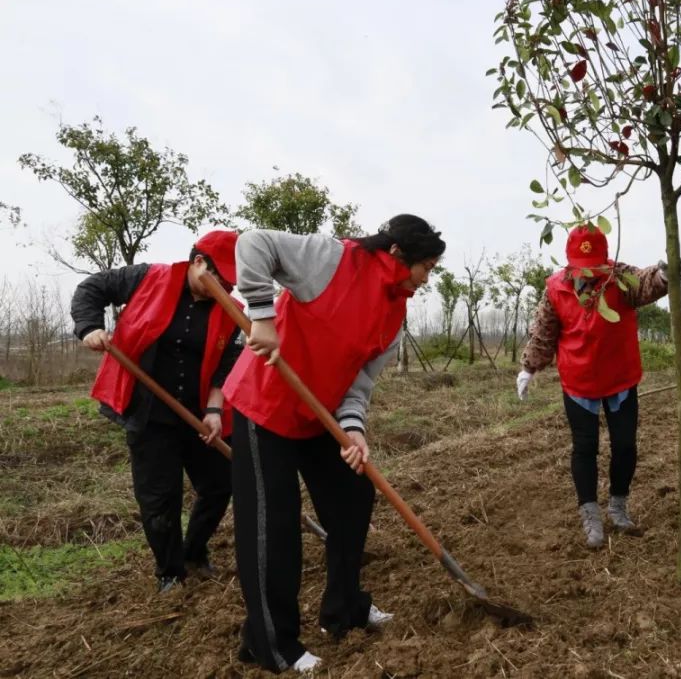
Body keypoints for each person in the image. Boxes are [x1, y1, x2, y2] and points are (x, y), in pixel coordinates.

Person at [223, 215, 445, 674]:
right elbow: (254, 242)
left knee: (353, 495)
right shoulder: (333, 259)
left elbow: (359, 383)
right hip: (263, 405)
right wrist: (262, 315)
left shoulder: (395, 310)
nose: (427, 277)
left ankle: (344, 610)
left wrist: (354, 430)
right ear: (399, 252)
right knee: (273, 524)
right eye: (426, 265)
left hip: (316, 415)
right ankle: (271, 644)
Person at [70, 230, 243, 593]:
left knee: (219, 484)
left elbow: (226, 365)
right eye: (219, 279)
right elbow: (91, 289)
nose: (224, 288)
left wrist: (214, 410)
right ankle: (170, 572)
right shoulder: (149, 277)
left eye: (229, 282)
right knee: (159, 498)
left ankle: (193, 553)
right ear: (198, 262)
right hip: (150, 414)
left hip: (197, 415)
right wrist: (90, 328)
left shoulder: (229, 309)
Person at [517, 225, 672, 549]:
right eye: (581, 266)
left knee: (625, 445)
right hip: (579, 380)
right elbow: (544, 331)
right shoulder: (556, 289)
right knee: (585, 448)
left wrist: (664, 275)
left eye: (594, 266)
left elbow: (645, 282)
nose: (588, 273)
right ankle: (591, 516)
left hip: (620, 378)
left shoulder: (619, 277)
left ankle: (618, 507)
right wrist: (529, 367)